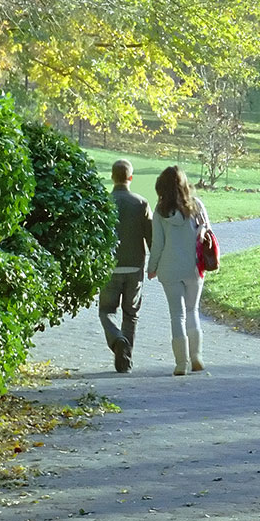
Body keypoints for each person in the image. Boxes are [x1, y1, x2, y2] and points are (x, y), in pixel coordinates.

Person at [147, 166, 211, 375]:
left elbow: (157, 244)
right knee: (193, 311)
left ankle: (181, 363)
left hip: (169, 268)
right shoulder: (197, 206)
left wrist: (152, 267)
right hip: (193, 267)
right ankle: (197, 357)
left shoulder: (160, 212)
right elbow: (207, 228)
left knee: (177, 315)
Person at [101, 160, 151, 373]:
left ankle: (116, 338)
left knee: (106, 311)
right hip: (134, 267)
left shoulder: (104, 202)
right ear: (131, 178)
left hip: (109, 267)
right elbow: (151, 237)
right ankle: (125, 361)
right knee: (131, 314)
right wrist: (154, 263)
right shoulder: (141, 203)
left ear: (112, 177)